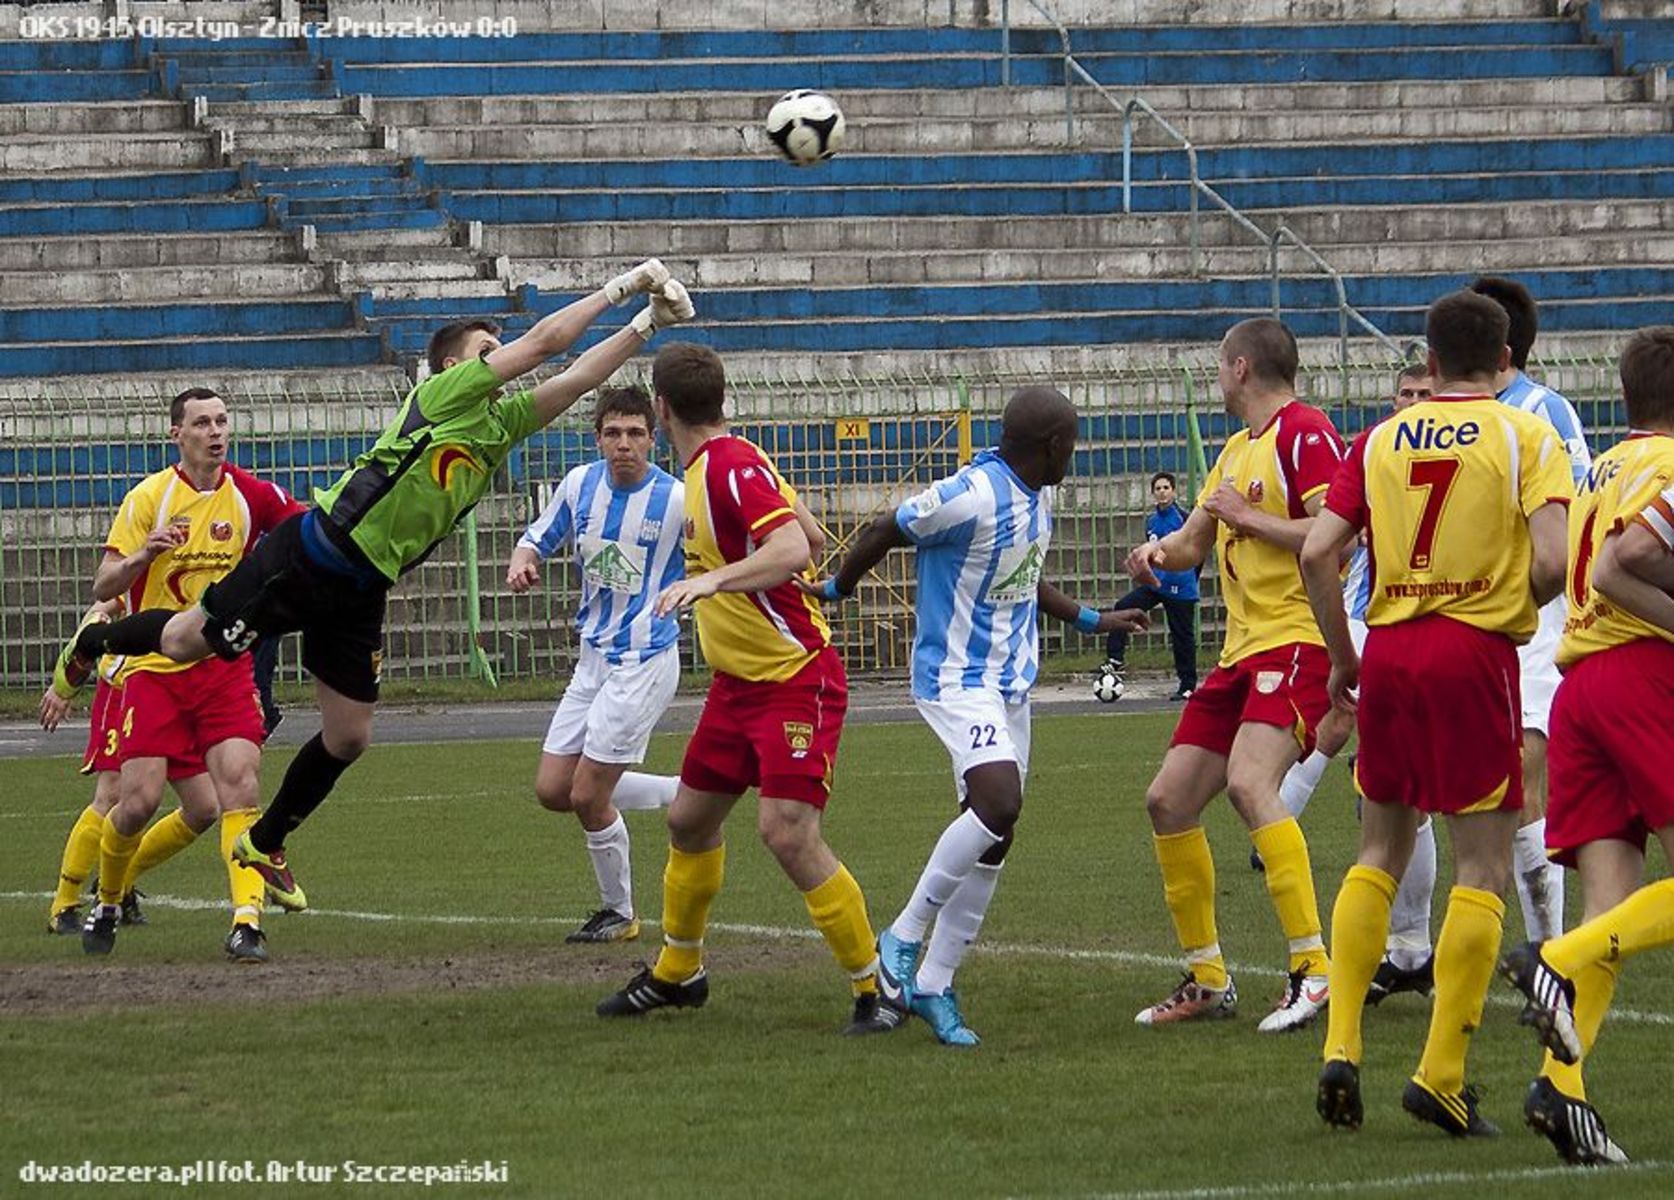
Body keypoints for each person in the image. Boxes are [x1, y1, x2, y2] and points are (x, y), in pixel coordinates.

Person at [49, 261, 693, 911]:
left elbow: (580, 376)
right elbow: (549, 345)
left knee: (350, 735)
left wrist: (647, 324)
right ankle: (97, 638)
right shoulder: (441, 398)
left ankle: (264, 841)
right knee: (190, 640)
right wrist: (626, 285)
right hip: (314, 552)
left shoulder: (499, 428)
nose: (501, 357)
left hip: (361, 586)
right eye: (486, 350)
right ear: (453, 369)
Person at [803, 386, 1149, 1045]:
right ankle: (901, 937)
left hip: (1010, 682)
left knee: (1000, 828)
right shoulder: (970, 494)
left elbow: (1023, 577)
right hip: (956, 677)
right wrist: (839, 589)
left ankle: (934, 983)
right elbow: (885, 528)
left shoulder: (1036, 494)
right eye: (1071, 445)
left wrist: (1093, 618)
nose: (1073, 457)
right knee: (998, 800)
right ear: (1051, 447)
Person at [1304, 289, 1571, 1138]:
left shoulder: (1381, 437)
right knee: (1483, 863)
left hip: (1390, 649)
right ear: (1504, 361)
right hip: (1471, 653)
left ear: (1428, 357)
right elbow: (1559, 560)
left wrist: (1346, 663)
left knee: (1377, 850)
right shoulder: (1528, 432)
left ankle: (1341, 1045)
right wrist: (1507, 602)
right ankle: (1441, 1074)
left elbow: (1318, 551)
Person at [595, 342, 895, 1036]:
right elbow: (811, 537)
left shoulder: (726, 467)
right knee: (689, 821)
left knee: (786, 832)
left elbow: (790, 548)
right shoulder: (725, 464)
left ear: (661, 407)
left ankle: (876, 988)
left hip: (793, 678)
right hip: (739, 685)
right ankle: (679, 972)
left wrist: (712, 579)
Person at [1126, 318, 1342, 1034]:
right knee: (1168, 799)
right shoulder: (1234, 449)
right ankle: (1210, 979)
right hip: (1241, 654)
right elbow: (1194, 542)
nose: (1217, 377)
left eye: (1220, 366)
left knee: (1252, 784)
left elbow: (1332, 539)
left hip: (1296, 643)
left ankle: (1314, 969)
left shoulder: (1304, 432)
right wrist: (1157, 554)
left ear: (1241, 367)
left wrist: (1249, 518)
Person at [1499, 326, 1674, 1167]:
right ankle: (1551, 955)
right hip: (1645, 679)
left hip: (1583, 688)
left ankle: (1560, 1094)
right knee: (1591, 934)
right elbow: (1626, 564)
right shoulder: (1672, 469)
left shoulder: (1604, 466)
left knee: (1614, 911)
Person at [69, 388, 305, 961]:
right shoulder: (150, 497)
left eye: (222, 421)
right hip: (154, 669)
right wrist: (142, 556)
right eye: (202, 423)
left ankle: (246, 922)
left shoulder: (249, 494)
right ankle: (106, 898)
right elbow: (103, 587)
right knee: (138, 800)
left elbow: (304, 526)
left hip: (223, 664)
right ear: (177, 434)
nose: (216, 432)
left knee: (240, 786)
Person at [1270, 365, 1448, 1007]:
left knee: (1409, 788)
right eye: (1406, 394)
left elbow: (1321, 542)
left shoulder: (1402, 450)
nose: (1415, 403)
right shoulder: (1375, 448)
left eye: (1426, 393)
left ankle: (1412, 946)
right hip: (1367, 614)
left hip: (1417, 626)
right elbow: (1336, 540)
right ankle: (1410, 948)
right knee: (1368, 759)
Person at [506, 385, 684, 944]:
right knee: (554, 789)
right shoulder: (581, 484)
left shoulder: (678, 500)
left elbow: (720, 555)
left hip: (645, 659)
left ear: (653, 439)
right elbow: (540, 533)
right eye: (613, 433)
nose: (624, 444)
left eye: (635, 433)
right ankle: (684, 792)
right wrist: (524, 557)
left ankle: (621, 912)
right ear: (598, 438)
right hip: (594, 660)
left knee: (587, 796)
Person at [1473, 275, 1591, 944]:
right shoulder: (1456, 412)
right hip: (1466, 614)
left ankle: (1547, 947)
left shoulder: (1544, 409)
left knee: (1523, 771)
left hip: (1533, 610)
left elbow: (1571, 519)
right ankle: (1414, 946)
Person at [39, 601, 213, 936]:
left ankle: (119, 883)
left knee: (204, 807)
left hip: (182, 687)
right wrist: (66, 685)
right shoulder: (142, 554)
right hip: (128, 687)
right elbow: (100, 609)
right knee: (112, 794)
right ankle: (64, 904)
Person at [1101, 471, 1197, 701]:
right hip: (1157, 584)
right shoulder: (1152, 521)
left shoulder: (1183, 518)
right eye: (1158, 488)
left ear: (1174, 491)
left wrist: (1189, 577)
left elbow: (1195, 550)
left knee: (1182, 635)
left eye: (1166, 488)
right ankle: (1115, 660)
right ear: (1153, 493)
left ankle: (1188, 685)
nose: (1162, 492)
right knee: (1123, 606)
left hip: (1180, 585)